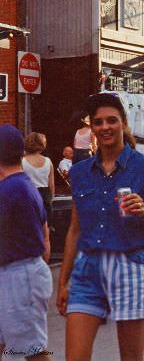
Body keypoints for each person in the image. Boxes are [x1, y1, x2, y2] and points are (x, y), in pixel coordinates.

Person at [58, 93, 144, 361]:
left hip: (129, 265)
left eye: (112, 120)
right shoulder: (80, 172)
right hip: (87, 269)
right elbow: (75, 229)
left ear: (124, 123)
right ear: (93, 128)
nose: (105, 127)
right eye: (98, 122)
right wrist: (63, 282)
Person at [0, 125, 52, 361]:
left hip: (19, 277)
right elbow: (45, 238)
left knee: (31, 351)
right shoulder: (22, 184)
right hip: (19, 274)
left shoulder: (11, 190)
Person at [22, 133, 55, 226]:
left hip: (28, 195)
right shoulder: (48, 161)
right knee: (46, 230)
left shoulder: (22, 161)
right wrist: (50, 199)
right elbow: (51, 185)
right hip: (45, 197)